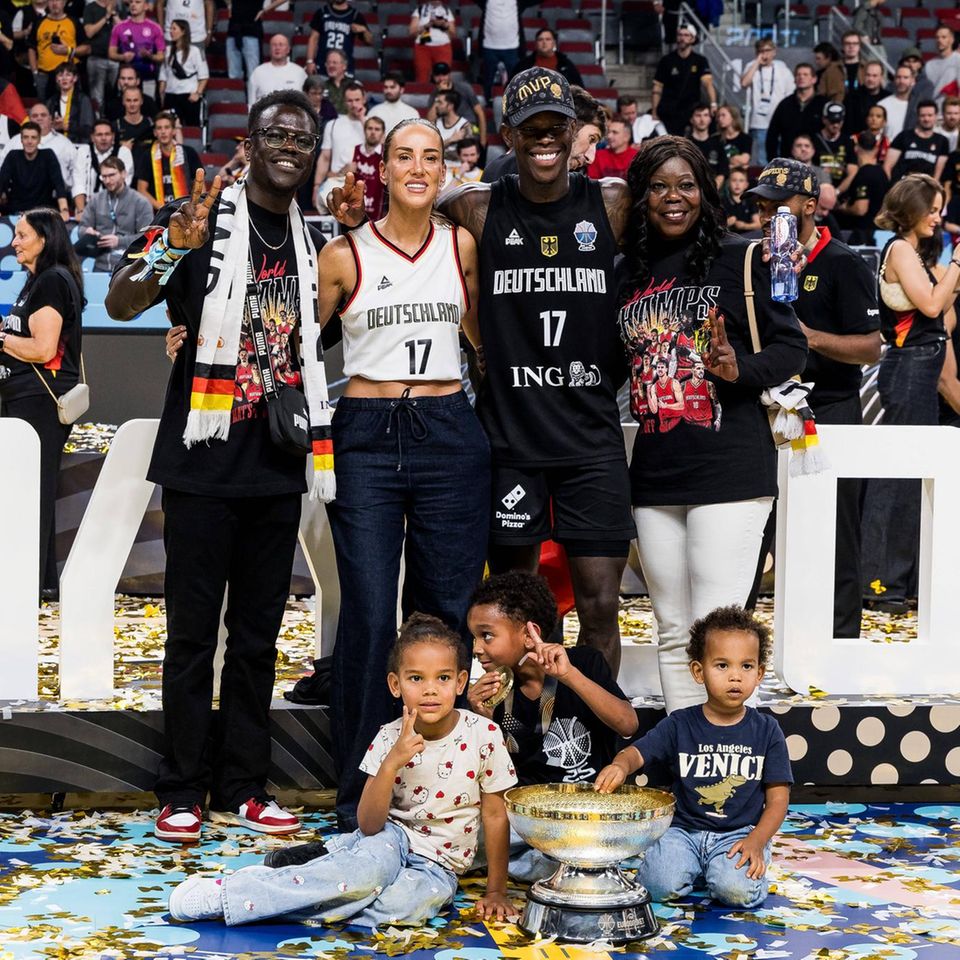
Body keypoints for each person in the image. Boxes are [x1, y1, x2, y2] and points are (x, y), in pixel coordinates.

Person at [106, 90, 334, 842]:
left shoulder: (316, 241)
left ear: (313, 151)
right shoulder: (202, 223)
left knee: (261, 638)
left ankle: (244, 783)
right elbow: (123, 295)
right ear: (251, 141)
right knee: (191, 636)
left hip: (275, 466)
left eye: (302, 137)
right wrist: (173, 241)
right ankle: (181, 787)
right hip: (202, 465)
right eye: (276, 133)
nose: (289, 146)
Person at [317, 118, 487, 833]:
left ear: (445, 170)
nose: (419, 167)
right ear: (379, 169)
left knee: (445, 609)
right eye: (404, 156)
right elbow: (296, 345)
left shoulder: (461, 245)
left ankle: (441, 784)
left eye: (432, 156)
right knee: (366, 609)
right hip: (365, 432)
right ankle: (360, 785)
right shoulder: (342, 254)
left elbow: (481, 342)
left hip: (448, 430)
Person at [616, 140, 807, 712]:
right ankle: (684, 760)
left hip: (729, 473)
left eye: (686, 185)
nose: (673, 198)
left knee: (718, 637)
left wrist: (737, 369)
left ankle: (722, 767)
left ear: (705, 191)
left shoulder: (741, 258)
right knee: (673, 633)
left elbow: (792, 348)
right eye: (658, 187)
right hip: (654, 476)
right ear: (641, 197)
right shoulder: (627, 272)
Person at [167, 614, 518, 924]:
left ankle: (310, 875)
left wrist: (497, 891)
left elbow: (495, 817)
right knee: (364, 876)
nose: (430, 690)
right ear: (395, 685)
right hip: (390, 839)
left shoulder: (483, 735)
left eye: (442, 678)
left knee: (402, 909)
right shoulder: (388, 737)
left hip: (440, 865)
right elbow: (369, 823)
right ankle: (231, 893)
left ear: (460, 683)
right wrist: (393, 761)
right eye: (415, 678)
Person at [751, 159, 881, 639]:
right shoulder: (754, 259)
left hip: (830, 409)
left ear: (810, 206)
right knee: (756, 526)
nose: (767, 214)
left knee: (836, 528)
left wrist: (805, 339)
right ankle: (737, 640)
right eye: (761, 205)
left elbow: (870, 347)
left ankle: (841, 639)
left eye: (778, 204)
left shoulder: (842, 262)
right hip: (765, 409)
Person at [595, 606, 792, 909]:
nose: (735, 677)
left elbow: (778, 800)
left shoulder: (767, 731)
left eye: (747, 666)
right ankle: (695, 865)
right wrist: (621, 764)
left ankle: (721, 868)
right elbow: (638, 751)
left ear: (760, 673)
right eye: (722, 666)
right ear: (699, 672)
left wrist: (757, 840)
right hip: (682, 831)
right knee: (658, 886)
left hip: (737, 834)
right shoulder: (680, 723)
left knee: (735, 893)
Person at [466, 571, 637, 880]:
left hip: (585, 812)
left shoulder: (583, 662)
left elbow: (627, 724)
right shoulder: (498, 692)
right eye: (474, 637)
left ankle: (535, 862)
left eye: (486, 635)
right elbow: (491, 778)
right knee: (465, 836)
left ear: (528, 632)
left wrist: (568, 676)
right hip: (528, 818)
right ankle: (555, 864)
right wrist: (480, 719)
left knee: (579, 839)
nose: (476, 648)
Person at [866, 174, 960, 610]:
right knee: (899, 476)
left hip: (921, 367)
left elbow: (944, 320)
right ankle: (882, 582)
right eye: (934, 208)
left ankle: (901, 579)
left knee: (914, 476)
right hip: (906, 370)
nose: (939, 217)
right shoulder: (899, 249)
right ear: (913, 209)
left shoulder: (918, 254)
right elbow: (930, 306)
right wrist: (956, 264)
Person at [0, 208, 84, 599]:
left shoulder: (51, 280)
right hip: (25, 402)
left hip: (38, 404)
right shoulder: (35, 280)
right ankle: (41, 581)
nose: (13, 242)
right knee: (33, 489)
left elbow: (43, 348)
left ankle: (26, 584)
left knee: (29, 491)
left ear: (44, 239)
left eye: (21, 235)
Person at [74, 155, 153, 273]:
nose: (107, 180)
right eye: (104, 176)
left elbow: (147, 237)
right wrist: (87, 232)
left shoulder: (140, 202)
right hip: (100, 264)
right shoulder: (96, 200)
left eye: (111, 175)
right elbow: (82, 228)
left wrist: (119, 241)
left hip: (128, 267)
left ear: (124, 174)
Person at [652, 22, 716, 137]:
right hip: (669, 110)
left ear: (693, 39)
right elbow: (657, 88)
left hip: (690, 111)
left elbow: (708, 83)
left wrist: (713, 103)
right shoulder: (666, 60)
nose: (682, 38)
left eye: (686, 35)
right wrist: (654, 111)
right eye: (680, 35)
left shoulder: (700, 60)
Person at [312, 81, 366, 210]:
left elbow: (382, 149)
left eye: (357, 100)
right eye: (349, 101)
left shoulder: (372, 125)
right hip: (337, 180)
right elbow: (325, 157)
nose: (354, 104)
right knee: (328, 199)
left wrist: (363, 119)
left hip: (365, 181)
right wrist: (316, 186)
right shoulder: (333, 124)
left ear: (364, 99)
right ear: (344, 101)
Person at [740, 39, 794, 166]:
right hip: (759, 122)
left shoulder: (782, 68)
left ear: (774, 52)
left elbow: (790, 93)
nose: (764, 54)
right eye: (760, 51)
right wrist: (757, 62)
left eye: (767, 51)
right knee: (762, 161)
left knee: (781, 160)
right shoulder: (751, 66)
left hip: (779, 122)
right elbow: (744, 83)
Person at [0, 120, 69, 218]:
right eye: (26, 137)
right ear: (21, 140)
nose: (29, 141)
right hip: (16, 213)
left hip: (42, 214)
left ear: (39, 139)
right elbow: (1, 182)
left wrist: (64, 210)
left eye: (33, 137)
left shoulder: (48, 155)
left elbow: (59, 185)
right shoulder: (13, 156)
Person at [135, 110, 201, 211]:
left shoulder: (189, 153)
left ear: (174, 131)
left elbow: (200, 185)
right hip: (157, 214)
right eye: (159, 128)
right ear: (155, 133)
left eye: (167, 127)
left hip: (186, 212)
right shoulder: (147, 155)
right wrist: (162, 210)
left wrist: (193, 208)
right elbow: (141, 189)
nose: (163, 131)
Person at [29, 0, 89, 101]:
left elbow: (87, 48)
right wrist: (35, 72)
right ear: (47, 3)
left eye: (58, 0)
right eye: (51, 0)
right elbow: (31, 48)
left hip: (68, 74)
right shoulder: (39, 22)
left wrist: (68, 50)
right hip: (44, 75)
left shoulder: (74, 22)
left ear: (64, 3)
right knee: (45, 107)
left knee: (72, 106)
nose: (54, 3)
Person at [765, 63, 827, 161]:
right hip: (788, 160)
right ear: (794, 79)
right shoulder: (785, 104)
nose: (801, 77)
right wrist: (773, 160)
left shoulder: (823, 104)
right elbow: (772, 134)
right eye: (798, 75)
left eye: (805, 74)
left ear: (814, 79)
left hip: (816, 162)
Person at [836, 132, 888, 244]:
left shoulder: (863, 174)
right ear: (876, 148)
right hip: (878, 232)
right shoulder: (882, 173)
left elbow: (860, 209)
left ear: (856, 148)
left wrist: (844, 208)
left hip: (862, 235)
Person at [477, 0, 535, 99]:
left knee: (516, 81)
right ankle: (487, 104)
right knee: (487, 81)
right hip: (489, 46)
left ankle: (516, 103)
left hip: (512, 47)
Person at [109, 0, 165, 99]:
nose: (133, 5)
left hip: (148, 76)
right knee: (126, 105)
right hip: (126, 78)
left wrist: (149, 56)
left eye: (138, 2)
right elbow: (111, 53)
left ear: (146, 6)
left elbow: (161, 56)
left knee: (148, 105)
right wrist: (122, 57)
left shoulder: (155, 28)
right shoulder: (119, 28)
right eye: (131, 2)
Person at [157, 18, 208, 127]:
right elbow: (163, 76)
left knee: (191, 126)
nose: (171, 31)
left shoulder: (194, 51)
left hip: (188, 95)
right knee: (169, 126)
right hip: (171, 95)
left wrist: (198, 93)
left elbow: (203, 76)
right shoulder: (167, 51)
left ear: (183, 31)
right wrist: (162, 95)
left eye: (174, 28)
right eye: (170, 28)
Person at [426, 62, 487, 151]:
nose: (441, 78)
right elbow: (430, 121)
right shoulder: (434, 95)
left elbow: (480, 113)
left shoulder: (464, 88)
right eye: (437, 75)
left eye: (444, 74)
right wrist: (440, 94)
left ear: (449, 75)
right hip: (446, 131)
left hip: (468, 129)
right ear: (433, 77)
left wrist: (483, 140)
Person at [884, 100, 949, 182]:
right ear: (917, 116)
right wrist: (891, 188)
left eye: (930, 115)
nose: (926, 119)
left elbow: (937, 174)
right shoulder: (904, 136)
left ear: (936, 116)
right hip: (902, 185)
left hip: (926, 188)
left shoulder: (942, 141)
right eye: (923, 115)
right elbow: (887, 166)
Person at [305, 0, 371, 76]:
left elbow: (370, 41)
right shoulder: (322, 12)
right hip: (322, 65)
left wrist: (364, 30)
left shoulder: (355, 15)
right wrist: (309, 61)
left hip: (344, 69)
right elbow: (313, 39)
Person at [74, 119, 134, 199]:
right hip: (88, 204)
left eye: (107, 134)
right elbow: (78, 184)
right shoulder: (84, 151)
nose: (103, 138)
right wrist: (82, 210)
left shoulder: (123, 152)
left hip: (117, 203)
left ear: (113, 136)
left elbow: (124, 183)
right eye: (99, 135)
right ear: (92, 137)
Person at [512, 28, 584, 88]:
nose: (544, 42)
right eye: (540, 39)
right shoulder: (524, 65)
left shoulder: (565, 64)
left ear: (554, 43)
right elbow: (511, 87)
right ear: (536, 44)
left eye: (548, 39)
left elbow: (579, 89)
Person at [248, 34, 308, 105]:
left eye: (281, 45)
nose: (277, 48)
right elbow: (251, 103)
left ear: (288, 49)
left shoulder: (299, 72)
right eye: (274, 45)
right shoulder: (258, 72)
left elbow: (306, 101)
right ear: (270, 49)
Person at [82, 0, 120, 108]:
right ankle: (98, 121)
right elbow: (89, 33)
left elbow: (124, 33)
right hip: (96, 58)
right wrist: (106, 17)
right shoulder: (91, 8)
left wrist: (114, 14)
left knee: (114, 95)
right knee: (97, 98)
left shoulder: (118, 6)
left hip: (115, 59)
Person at [46, 61, 94, 144]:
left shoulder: (83, 99)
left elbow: (88, 129)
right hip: (56, 144)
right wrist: (53, 126)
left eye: (68, 75)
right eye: (60, 75)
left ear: (75, 78)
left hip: (78, 144)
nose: (64, 78)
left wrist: (67, 127)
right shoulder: (51, 101)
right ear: (57, 79)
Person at [814, 101, 856, 192]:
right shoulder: (814, 140)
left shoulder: (848, 141)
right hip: (818, 189)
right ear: (824, 119)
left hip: (840, 191)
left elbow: (853, 172)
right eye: (832, 121)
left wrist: (837, 192)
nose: (836, 125)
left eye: (839, 121)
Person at [409, 2, 456, 84]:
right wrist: (426, 26)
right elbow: (412, 32)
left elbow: (453, 34)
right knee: (422, 77)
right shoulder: (420, 10)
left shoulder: (447, 11)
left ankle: (443, 96)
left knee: (443, 77)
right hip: (423, 48)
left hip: (443, 48)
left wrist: (444, 25)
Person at [348, 114, 385, 220]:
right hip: (355, 208)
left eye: (377, 129)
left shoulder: (386, 154)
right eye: (370, 128)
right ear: (364, 130)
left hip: (378, 209)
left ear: (383, 133)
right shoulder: (354, 150)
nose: (373, 132)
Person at [687, 102, 728, 187]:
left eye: (705, 115)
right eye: (698, 115)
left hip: (711, 191)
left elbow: (722, 172)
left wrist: (712, 191)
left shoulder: (718, 144)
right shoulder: (685, 144)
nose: (702, 119)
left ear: (710, 119)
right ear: (691, 119)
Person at [587, 114, 637, 179]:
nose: (609, 136)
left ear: (626, 137)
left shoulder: (636, 157)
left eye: (615, 132)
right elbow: (592, 183)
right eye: (609, 132)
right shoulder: (598, 156)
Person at [115, 86, 155, 160]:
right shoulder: (116, 126)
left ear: (141, 101)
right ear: (123, 101)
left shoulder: (151, 124)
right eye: (128, 100)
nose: (132, 104)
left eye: (135, 100)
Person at [878, 64, 915, 141]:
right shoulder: (882, 105)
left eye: (905, 77)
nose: (901, 81)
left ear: (913, 81)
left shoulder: (918, 106)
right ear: (894, 80)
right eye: (898, 77)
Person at [925, 25, 960, 107]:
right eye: (937, 37)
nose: (939, 40)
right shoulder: (929, 65)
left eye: (944, 37)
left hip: (952, 112)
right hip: (933, 112)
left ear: (952, 40)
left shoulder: (958, 60)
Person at [434, 88, 470, 160]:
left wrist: (441, 150)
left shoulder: (464, 126)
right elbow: (430, 149)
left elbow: (467, 154)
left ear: (450, 106)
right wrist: (450, 140)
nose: (436, 106)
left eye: (440, 102)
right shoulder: (435, 124)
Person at [721, 166, 759, 234]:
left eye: (741, 181)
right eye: (734, 180)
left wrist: (744, 226)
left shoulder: (750, 201)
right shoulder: (722, 202)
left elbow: (758, 224)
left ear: (746, 185)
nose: (737, 184)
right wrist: (726, 223)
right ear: (728, 183)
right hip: (729, 236)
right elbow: (715, 225)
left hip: (747, 236)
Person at [714, 103, 752, 169]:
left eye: (723, 115)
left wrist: (724, 160)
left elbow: (744, 160)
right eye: (718, 116)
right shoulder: (715, 139)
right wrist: (734, 159)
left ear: (732, 117)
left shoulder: (745, 138)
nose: (720, 119)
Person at [319, 49, 353, 116]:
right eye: (328, 63)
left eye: (334, 63)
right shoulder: (321, 87)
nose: (331, 66)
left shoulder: (354, 85)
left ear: (344, 66)